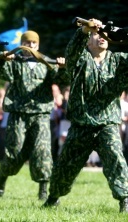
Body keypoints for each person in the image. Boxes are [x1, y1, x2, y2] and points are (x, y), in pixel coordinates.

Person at [43, 18, 128, 212]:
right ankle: (54, 196)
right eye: (95, 35)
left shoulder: (118, 61)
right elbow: (71, 51)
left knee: (116, 159)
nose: (101, 37)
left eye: (103, 34)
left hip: (107, 123)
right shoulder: (80, 60)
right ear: (89, 41)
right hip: (82, 124)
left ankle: (125, 199)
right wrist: (83, 31)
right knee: (66, 166)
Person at [0, 30, 66, 200]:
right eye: (27, 43)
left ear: (38, 45)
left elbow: (64, 79)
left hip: (41, 114)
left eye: (34, 43)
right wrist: (1, 57)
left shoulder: (46, 63)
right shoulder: (15, 63)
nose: (30, 46)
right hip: (18, 114)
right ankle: (3, 175)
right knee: (14, 152)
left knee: (42, 151)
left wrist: (63, 67)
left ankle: (43, 187)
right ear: (22, 45)